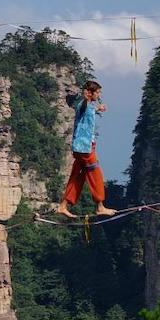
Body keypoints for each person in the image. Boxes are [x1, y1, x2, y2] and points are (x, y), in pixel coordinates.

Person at [57, 80, 117, 218]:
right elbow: (84, 106)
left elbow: (89, 110)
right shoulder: (83, 104)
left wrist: (98, 109)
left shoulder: (89, 107)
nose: (99, 94)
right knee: (95, 173)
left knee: (79, 175)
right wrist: (86, 96)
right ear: (90, 93)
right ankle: (100, 206)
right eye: (98, 92)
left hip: (82, 147)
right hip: (84, 148)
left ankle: (63, 205)